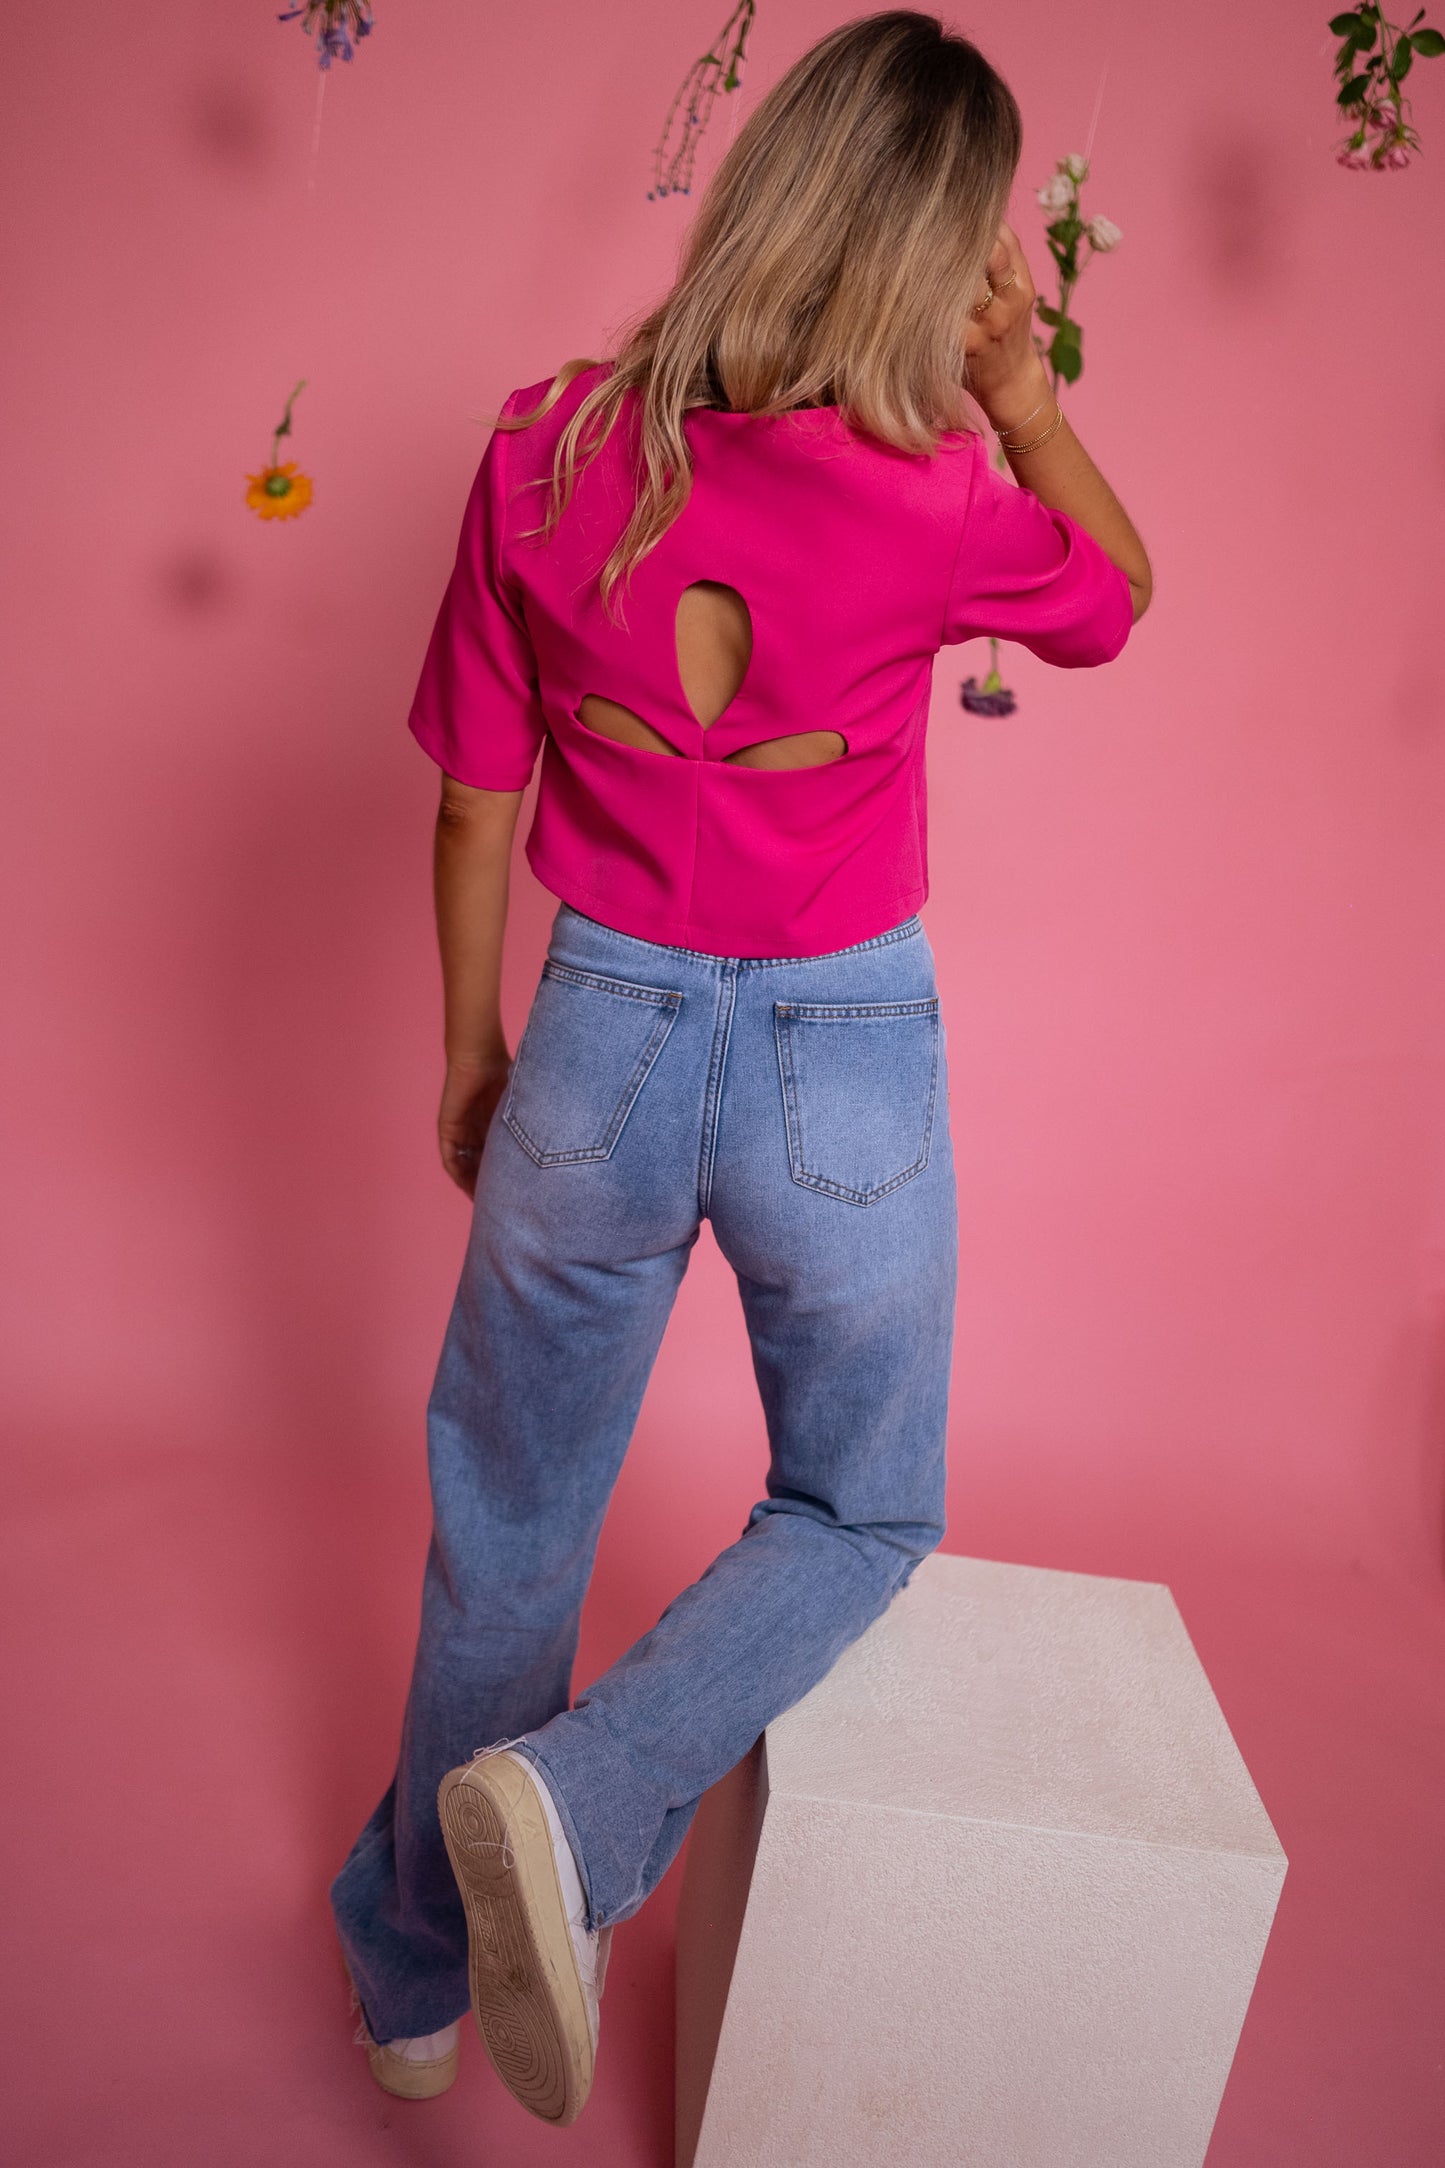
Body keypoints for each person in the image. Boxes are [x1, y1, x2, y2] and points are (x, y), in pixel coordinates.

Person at [330, 6, 1152, 2125]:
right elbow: (1115, 598)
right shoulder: (941, 500)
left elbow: (474, 803)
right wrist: (1026, 395)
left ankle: (414, 1984)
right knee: (861, 1508)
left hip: (594, 1031)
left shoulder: (543, 447)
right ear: (937, 252)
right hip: (837, 1051)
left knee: (507, 1522)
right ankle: (584, 1804)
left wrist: (472, 1052)